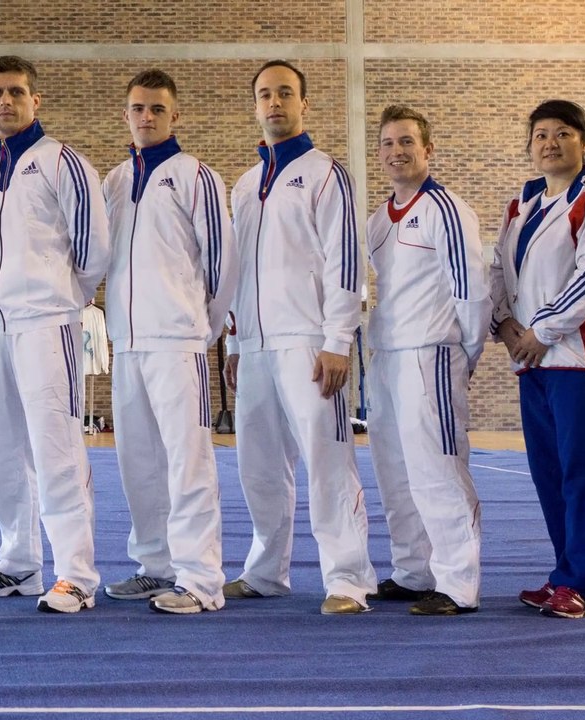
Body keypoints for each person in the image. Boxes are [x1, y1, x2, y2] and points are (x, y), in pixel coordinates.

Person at [223, 60, 377, 614]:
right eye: (265, 94)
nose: (274, 103)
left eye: (285, 93)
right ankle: (266, 571)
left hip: (310, 340)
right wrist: (236, 344)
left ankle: (350, 579)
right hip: (258, 346)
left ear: (303, 104)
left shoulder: (325, 173)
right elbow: (235, 272)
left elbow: (346, 261)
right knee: (258, 464)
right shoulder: (243, 185)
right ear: (255, 105)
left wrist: (339, 339)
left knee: (326, 459)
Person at [0, 55, 110, 614]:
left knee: (58, 450)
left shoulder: (62, 162)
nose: (6, 101)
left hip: (48, 324)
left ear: (35, 100)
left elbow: (93, 248)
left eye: (17, 92)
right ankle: (19, 563)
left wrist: (63, 298)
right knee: (6, 451)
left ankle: (76, 574)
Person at [101, 69, 235, 614]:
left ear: (174, 114)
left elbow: (223, 264)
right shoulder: (112, 181)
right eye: (137, 108)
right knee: (139, 462)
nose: (146, 117)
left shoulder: (196, 176)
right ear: (126, 113)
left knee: (188, 462)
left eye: (157, 108)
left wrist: (204, 327)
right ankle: (155, 566)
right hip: (126, 343)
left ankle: (202, 579)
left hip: (179, 339)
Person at [364, 105, 487, 616]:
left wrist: (465, 351)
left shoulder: (446, 209)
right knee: (395, 469)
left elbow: (472, 289)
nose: (398, 152)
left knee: (437, 468)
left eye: (408, 142)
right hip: (387, 357)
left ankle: (458, 583)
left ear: (428, 150)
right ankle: (414, 570)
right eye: (389, 143)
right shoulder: (376, 220)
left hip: (430, 353)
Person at [491, 99, 585, 620]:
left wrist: (541, 331)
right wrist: (505, 326)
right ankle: (564, 575)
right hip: (531, 362)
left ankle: (581, 582)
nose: (550, 142)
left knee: (581, 474)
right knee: (548, 473)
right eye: (540, 135)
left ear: (583, 143)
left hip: (575, 360)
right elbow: (497, 272)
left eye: (563, 133)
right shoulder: (522, 204)